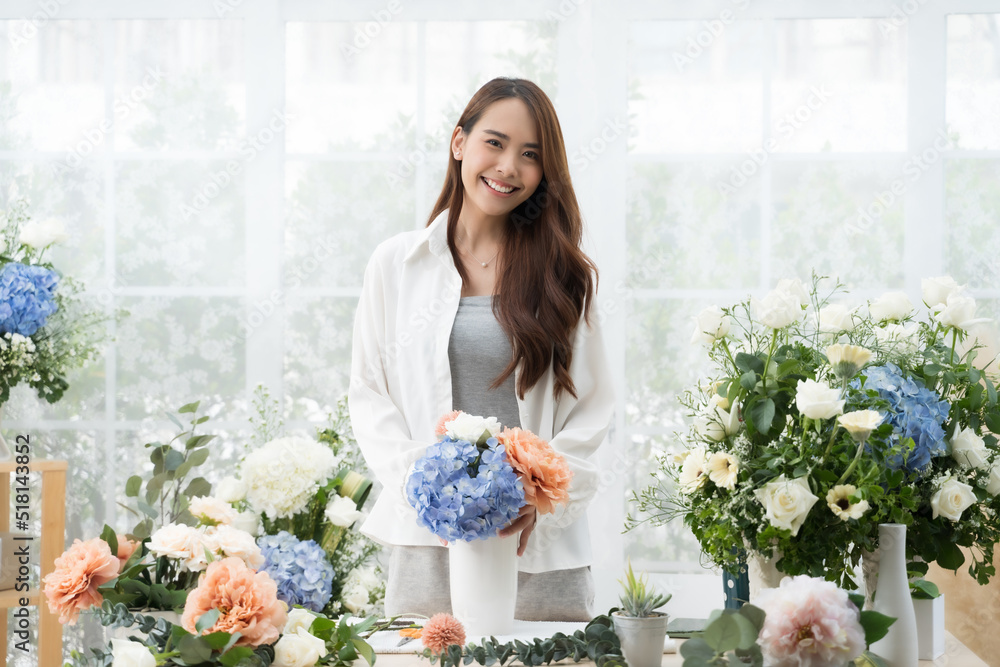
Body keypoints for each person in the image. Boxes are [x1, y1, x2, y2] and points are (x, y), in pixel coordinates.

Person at [348, 77, 615, 621]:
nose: (508, 166)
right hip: (428, 544)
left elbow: (592, 409)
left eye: (530, 155)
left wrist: (537, 501)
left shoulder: (565, 277)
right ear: (459, 143)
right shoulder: (397, 265)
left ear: (544, 173)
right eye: (494, 142)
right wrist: (429, 490)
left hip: (536, 549)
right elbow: (369, 395)